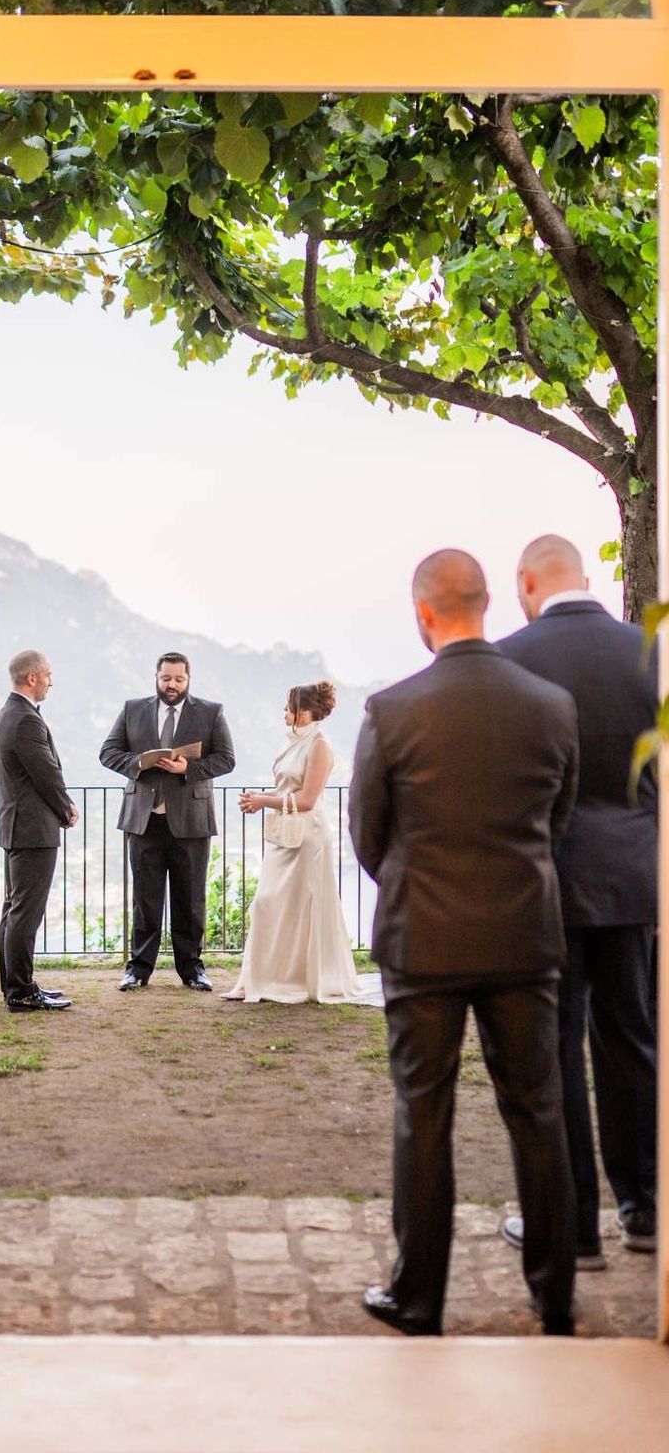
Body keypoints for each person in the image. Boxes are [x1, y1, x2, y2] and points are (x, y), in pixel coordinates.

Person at [348, 549, 579, 1337]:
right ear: (490, 604)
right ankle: (555, 1297)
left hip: (424, 943)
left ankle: (419, 1298)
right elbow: (559, 824)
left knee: (424, 1115)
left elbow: (369, 838)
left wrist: (420, 889)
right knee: (539, 1112)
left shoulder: (391, 709)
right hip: (524, 935)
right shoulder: (551, 705)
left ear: (423, 614)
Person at [498, 534, 657, 1265]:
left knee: (555, 1046)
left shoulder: (510, 659)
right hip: (631, 880)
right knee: (632, 1038)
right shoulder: (647, 651)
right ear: (587, 579)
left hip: (547, 879)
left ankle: (575, 1227)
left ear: (527, 582)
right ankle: (646, 1207)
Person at [100, 652, 235, 991]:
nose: (172, 685)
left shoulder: (210, 711)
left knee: (190, 900)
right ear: (156, 677)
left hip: (191, 821)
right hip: (144, 821)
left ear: (188, 679)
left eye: (178, 679)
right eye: (166, 679)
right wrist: (139, 763)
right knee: (145, 900)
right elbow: (108, 752)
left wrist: (187, 768)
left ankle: (192, 970)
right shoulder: (133, 710)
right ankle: (138, 970)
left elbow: (226, 759)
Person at [223, 681, 362, 1004]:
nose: (284, 712)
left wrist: (263, 801)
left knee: (294, 908)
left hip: (307, 837)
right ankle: (256, 979)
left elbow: (308, 799)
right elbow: (289, 791)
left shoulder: (319, 746)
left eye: (288, 707)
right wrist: (261, 798)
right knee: (268, 904)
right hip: (284, 835)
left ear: (302, 711)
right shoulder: (296, 743)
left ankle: (293, 978)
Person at [0, 650, 79, 1011]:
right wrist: (67, 807)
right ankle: (22, 991)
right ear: (31, 678)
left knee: (14, 909)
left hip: (16, 826)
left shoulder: (6, 715)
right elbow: (46, 773)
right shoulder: (25, 720)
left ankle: (14, 984)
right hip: (32, 830)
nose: (50, 682)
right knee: (26, 913)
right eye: (47, 675)